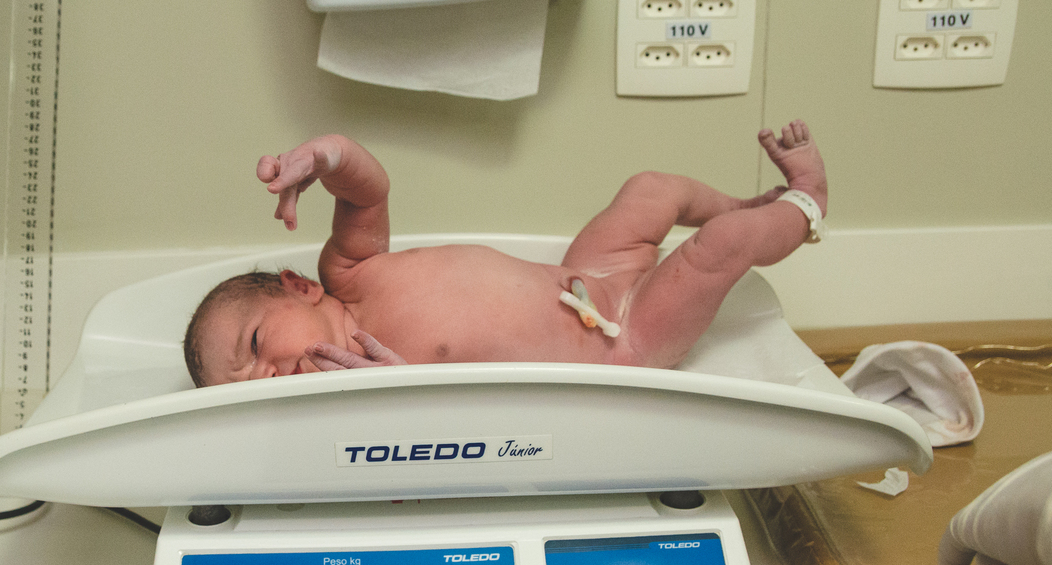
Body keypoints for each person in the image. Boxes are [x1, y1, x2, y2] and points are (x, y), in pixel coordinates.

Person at [184, 121, 827, 388]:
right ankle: (805, 204)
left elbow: (369, 188)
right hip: (623, 338)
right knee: (717, 247)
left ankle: (752, 205)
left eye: (255, 344)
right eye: (242, 389)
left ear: (299, 287)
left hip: (587, 277)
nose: (264, 376)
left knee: (650, 190)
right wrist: (392, 388)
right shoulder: (363, 385)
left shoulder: (350, 270)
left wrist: (322, 157)